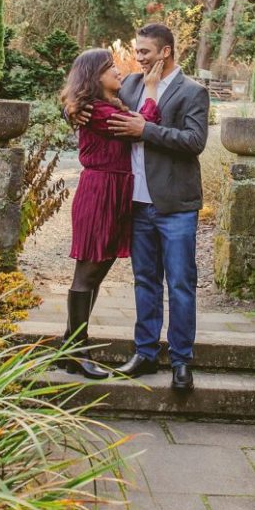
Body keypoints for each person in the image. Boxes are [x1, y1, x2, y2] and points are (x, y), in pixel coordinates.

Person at [106, 23, 209, 392]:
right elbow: (99, 101)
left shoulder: (193, 91)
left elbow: (195, 141)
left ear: (165, 52)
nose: (139, 57)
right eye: (137, 50)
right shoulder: (131, 86)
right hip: (137, 204)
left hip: (176, 205)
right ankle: (145, 353)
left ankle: (181, 360)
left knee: (181, 284)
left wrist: (145, 131)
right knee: (145, 281)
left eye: (145, 51)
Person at [59, 47, 162, 379]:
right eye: (110, 67)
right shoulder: (96, 111)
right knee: (86, 275)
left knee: (96, 274)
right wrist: (151, 90)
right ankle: (77, 350)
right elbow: (146, 123)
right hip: (99, 192)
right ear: (94, 76)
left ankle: (67, 347)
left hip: (115, 193)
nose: (118, 71)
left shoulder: (102, 107)